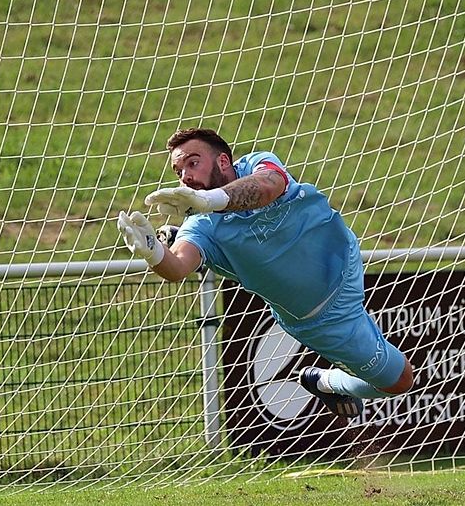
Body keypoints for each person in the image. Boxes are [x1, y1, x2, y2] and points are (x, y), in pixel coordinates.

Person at [117, 127, 413, 418]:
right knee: (399, 380)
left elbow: (269, 186)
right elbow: (177, 267)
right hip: (324, 315)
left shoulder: (256, 165)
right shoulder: (201, 225)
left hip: (344, 252)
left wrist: (211, 200)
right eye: (178, 171)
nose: (185, 176)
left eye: (193, 163)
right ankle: (324, 381)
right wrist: (153, 252)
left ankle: (206, 249)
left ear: (223, 161)